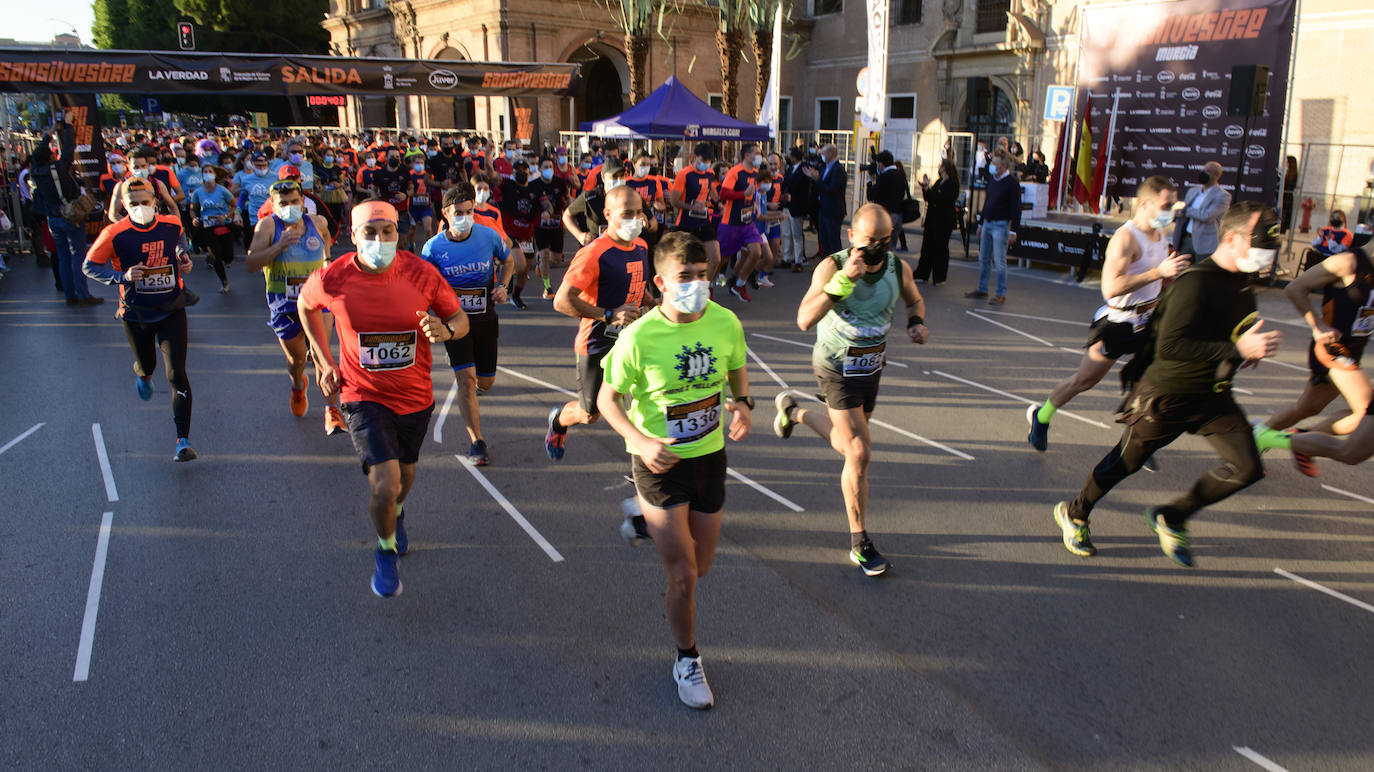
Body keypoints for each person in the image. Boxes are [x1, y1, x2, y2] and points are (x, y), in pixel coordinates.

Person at [1052, 202, 1283, 566]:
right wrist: (1236, 348)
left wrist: (1249, 350)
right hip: (1165, 396)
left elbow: (1232, 333)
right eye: (1259, 247)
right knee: (1123, 464)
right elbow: (1170, 346)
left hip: (1212, 398)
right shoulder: (1195, 283)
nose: (1265, 257)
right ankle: (1075, 511)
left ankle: (1171, 517)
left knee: (1248, 467)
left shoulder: (1241, 283)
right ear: (1232, 238)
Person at [597, 230, 751, 709]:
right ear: (661, 283)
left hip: (709, 457)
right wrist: (640, 441)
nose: (698, 285)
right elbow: (607, 398)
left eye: (703, 275)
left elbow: (736, 368)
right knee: (683, 576)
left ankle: (644, 520)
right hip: (659, 465)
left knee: (701, 567)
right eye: (686, 277)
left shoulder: (725, 322)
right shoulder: (639, 337)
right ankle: (686, 659)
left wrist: (743, 403)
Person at [297, 201, 469, 598]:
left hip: (414, 396)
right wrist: (323, 359)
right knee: (384, 485)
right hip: (362, 395)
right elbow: (306, 306)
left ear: (398, 234)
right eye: (369, 233)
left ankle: (396, 514)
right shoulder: (333, 277)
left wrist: (447, 330)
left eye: (387, 232)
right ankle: (385, 548)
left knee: (404, 480)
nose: (379, 240)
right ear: (353, 237)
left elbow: (459, 320)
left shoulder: (420, 273)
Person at [772, 204, 930, 576]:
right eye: (870, 241)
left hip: (871, 368)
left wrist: (917, 322)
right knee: (858, 452)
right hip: (835, 367)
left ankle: (795, 412)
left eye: (885, 240)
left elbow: (915, 299)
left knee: (847, 445)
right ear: (852, 237)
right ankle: (859, 542)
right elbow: (804, 319)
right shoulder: (831, 266)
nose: (877, 247)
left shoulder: (897, 268)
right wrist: (845, 280)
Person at [1027, 177, 1191, 450]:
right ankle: (1041, 416)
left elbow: (1159, 280)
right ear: (1145, 204)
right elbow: (1111, 287)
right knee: (1084, 381)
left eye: (1173, 205)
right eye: (1166, 205)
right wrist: (1158, 272)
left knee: (1152, 379)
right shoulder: (1126, 238)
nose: (1170, 211)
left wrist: (1171, 279)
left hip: (1148, 319)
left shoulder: (1161, 234)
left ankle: (1135, 437)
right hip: (1119, 320)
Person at [82, 179, 198, 461]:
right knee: (148, 364)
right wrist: (122, 277)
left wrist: (185, 260)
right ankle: (142, 373)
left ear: (154, 201)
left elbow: (180, 244)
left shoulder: (171, 223)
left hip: (172, 305)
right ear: (123, 205)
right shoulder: (114, 233)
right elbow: (89, 266)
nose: (140, 208)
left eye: (145, 202)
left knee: (176, 374)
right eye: (133, 203)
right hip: (136, 311)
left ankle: (182, 440)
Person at [546, 185, 651, 460]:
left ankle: (644, 471)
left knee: (641, 404)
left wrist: (657, 306)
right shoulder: (594, 253)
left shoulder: (641, 245)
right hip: (595, 343)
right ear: (607, 214)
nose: (636, 219)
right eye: (628, 213)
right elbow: (561, 301)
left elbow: (639, 285)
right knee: (589, 413)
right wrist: (608, 314)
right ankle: (558, 421)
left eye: (639, 213)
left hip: (632, 342)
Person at [1252, 246, 1374, 477]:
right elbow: (1295, 287)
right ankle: (1302, 442)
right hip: (1332, 349)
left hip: (1353, 351)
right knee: (1365, 411)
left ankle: (1258, 439)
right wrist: (1318, 325)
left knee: (1307, 407)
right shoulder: (1348, 262)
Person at [247, 180, 346, 434]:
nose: (290, 207)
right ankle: (297, 385)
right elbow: (251, 264)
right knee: (297, 359)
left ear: (303, 202)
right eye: (283, 204)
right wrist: (279, 246)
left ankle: (331, 410)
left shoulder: (317, 223)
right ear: (273, 206)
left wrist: (326, 264)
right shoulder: (268, 226)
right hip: (284, 305)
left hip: (317, 303)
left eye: (294, 202)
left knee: (322, 354)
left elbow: (325, 243)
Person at [422, 185, 511, 465]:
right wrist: (431, 313)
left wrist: (503, 285)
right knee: (466, 381)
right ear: (446, 215)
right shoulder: (433, 248)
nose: (465, 217)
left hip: (485, 319)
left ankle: (473, 392)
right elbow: (424, 285)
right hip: (454, 324)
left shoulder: (488, 236)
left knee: (486, 381)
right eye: (458, 213)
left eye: (469, 211)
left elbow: (508, 261)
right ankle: (477, 441)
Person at [28, 141, 101, 307]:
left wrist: (48, 135)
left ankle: (70, 295)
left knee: (63, 257)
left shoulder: (35, 171)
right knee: (78, 256)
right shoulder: (58, 169)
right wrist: (67, 127)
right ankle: (83, 295)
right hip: (70, 216)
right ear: (51, 156)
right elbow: (68, 149)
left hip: (52, 219)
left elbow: (40, 155)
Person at [966, 150, 1019, 305]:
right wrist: (981, 223)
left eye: (995, 164)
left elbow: (1016, 208)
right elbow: (987, 202)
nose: (992, 166)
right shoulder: (993, 180)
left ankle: (1000, 293)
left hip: (1001, 225)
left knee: (999, 260)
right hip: (988, 223)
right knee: (983, 258)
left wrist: (1013, 230)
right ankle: (982, 288)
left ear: (1003, 166)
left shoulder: (1011, 183)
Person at [716, 143, 767, 302]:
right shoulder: (735, 172)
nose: (759, 156)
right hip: (730, 222)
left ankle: (739, 284)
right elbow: (723, 193)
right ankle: (708, 285)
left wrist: (756, 206)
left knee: (756, 252)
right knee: (722, 259)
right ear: (747, 156)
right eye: (757, 153)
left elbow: (752, 195)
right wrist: (742, 194)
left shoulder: (755, 172)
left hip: (747, 222)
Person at [669, 143, 723, 280]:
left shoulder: (710, 173)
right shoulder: (684, 174)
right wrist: (691, 207)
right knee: (684, 262)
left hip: (704, 221)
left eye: (708, 161)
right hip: (686, 222)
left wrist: (719, 203)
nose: (706, 163)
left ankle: (705, 288)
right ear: (694, 157)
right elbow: (674, 201)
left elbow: (710, 189)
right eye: (703, 160)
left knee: (715, 258)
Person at [188, 167, 240, 293]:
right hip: (207, 227)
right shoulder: (198, 192)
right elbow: (192, 209)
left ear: (215, 175)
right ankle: (224, 282)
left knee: (228, 256)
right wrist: (194, 218)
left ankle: (227, 260)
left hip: (223, 225)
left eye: (210, 172)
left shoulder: (222, 191)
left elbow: (234, 205)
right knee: (215, 254)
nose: (207, 174)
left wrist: (226, 216)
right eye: (205, 172)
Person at [498, 160, 541, 309]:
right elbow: (492, 176)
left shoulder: (535, 189)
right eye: (518, 170)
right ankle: (507, 275)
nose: (521, 172)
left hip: (527, 235)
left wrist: (547, 211)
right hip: (511, 234)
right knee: (520, 265)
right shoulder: (508, 185)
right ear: (513, 172)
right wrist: (489, 154)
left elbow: (544, 202)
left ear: (529, 172)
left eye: (524, 169)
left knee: (524, 271)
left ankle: (516, 296)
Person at [915, 159, 960, 285]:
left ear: (945, 168)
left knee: (940, 248)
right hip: (932, 219)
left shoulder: (952, 184)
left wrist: (930, 190)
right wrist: (926, 188)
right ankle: (922, 273)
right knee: (927, 247)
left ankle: (939, 276)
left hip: (944, 220)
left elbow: (941, 199)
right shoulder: (939, 182)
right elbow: (930, 197)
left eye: (941, 166)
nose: (939, 168)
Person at [1177, 161, 1231, 263]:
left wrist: (1187, 210)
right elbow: (1184, 214)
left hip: (1205, 244)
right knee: (1180, 272)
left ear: (1216, 175)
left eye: (1208, 171)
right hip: (1187, 239)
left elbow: (1207, 216)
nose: (1203, 173)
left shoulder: (1223, 196)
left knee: (1200, 274)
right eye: (1203, 170)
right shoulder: (1192, 191)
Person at [806, 144, 847, 256]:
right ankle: (827, 264)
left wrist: (817, 180)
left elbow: (831, 189)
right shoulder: (826, 167)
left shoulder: (838, 169)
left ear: (830, 154)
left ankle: (837, 266)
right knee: (824, 241)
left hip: (833, 210)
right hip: (823, 208)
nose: (821, 156)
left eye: (823, 154)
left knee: (833, 241)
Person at [865, 150, 909, 252]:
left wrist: (869, 181)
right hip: (898, 216)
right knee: (890, 249)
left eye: (877, 164)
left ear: (881, 163)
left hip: (886, 216)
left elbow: (871, 195)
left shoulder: (885, 176)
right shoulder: (900, 174)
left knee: (881, 251)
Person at [781, 146, 811, 272]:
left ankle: (798, 260)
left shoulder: (803, 169)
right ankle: (787, 257)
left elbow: (796, 184)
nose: (788, 157)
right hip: (787, 206)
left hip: (797, 206)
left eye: (789, 155)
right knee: (786, 233)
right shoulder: (790, 169)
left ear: (794, 157)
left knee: (797, 235)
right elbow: (785, 182)